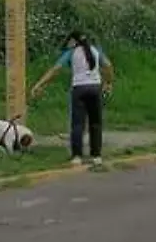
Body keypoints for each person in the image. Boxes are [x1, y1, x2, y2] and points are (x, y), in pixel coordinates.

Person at [30, 31, 113, 166]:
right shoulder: (96, 50)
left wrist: (39, 85)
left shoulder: (71, 53)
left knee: (77, 124)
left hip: (79, 88)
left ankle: (77, 156)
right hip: (95, 87)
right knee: (95, 123)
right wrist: (108, 82)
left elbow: (55, 69)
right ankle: (96, 156)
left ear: (73, 41)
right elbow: (108, 65)